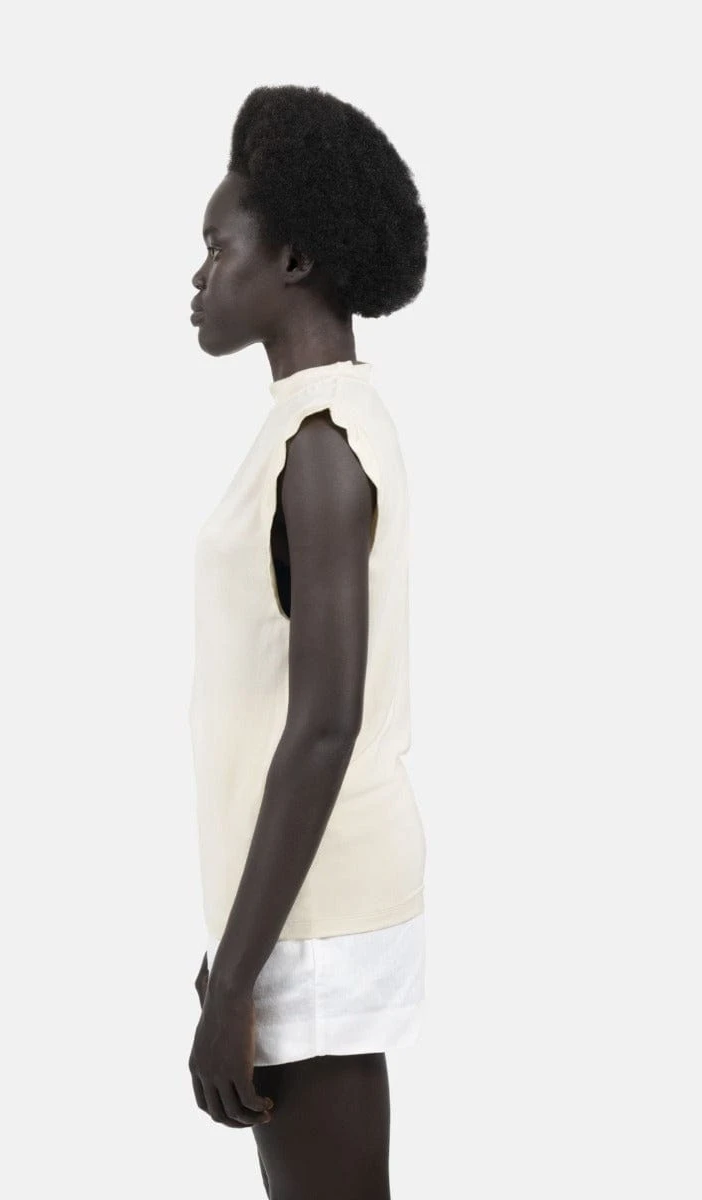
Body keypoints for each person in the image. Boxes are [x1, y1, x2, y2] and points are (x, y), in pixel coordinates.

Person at [186, 83, 429, 1200]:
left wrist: (237, 979)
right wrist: (234, 947)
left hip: (316, 911)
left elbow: (325, 723)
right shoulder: (311, 424)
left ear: (290, 260)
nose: (198, 276)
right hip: (294, 898)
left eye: (216, 246)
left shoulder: (321, 439)